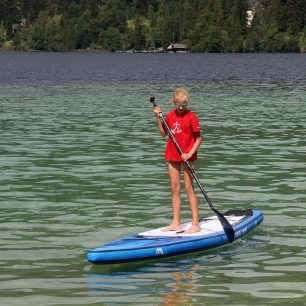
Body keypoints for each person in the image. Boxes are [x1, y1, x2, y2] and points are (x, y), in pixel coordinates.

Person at [153, 88, 202, 234]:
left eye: (183, 105)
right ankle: (176, 223)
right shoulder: (170, 115)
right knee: (175, 189)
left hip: (188, 155)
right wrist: (158, 118)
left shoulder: (192, 116)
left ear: (187, 103)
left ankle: (195, 223)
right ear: (174, 103)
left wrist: (189, 153)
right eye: (178, 105)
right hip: (172, 154)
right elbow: (163, 134)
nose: (181, 108)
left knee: (189, 188)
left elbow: (198, 138)